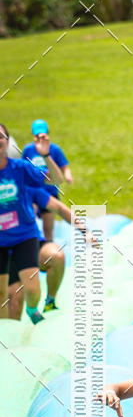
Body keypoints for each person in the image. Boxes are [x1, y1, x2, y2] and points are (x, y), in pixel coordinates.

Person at [0, 123, 63, 324]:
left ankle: (33, 309)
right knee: (3, 295)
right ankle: (5, 335)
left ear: (7, 142)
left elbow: (56, 179)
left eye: (0, 136)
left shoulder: (20, 168)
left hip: (23, 237)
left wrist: (46, 156)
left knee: (33, 291)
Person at [8, 186, 93, 316]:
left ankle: (50, 302)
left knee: (55, 256)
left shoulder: (25, 185)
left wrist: (84, 231)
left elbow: (59, 208)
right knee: (13, 306)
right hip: (6, 253)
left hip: (28, 246)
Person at [22, 120, 73, 242]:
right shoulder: (28, 150)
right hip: (34, 190)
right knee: (31, 219)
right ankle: (33, 244)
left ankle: (49, 245)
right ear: (33, 136)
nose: (41, 139)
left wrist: (68, 175)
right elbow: (23, 168)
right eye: (37, 136)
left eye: (43, 136)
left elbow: (64, 166)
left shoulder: (55, 149)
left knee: (48, 227)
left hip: (50, 192)